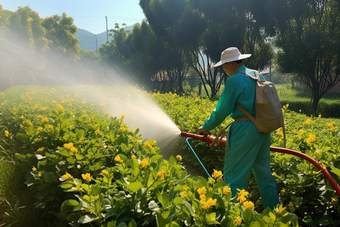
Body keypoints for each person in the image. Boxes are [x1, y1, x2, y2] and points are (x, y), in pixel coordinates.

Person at [198, 47, 279, 209]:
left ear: (230, 64)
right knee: (265, 177)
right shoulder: (257, 75)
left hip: (244, 132)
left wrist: (205, 127)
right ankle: (276, 214)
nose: (223, 69)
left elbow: (221, 110)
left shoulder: (234, 80)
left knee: (234, 178)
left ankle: (232, 217)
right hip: (263, 130)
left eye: (223, 65)